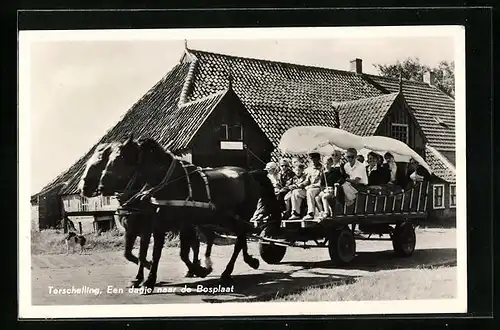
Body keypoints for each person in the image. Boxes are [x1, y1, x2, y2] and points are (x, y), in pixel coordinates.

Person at [289, 152, 324, 220]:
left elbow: (322, 183)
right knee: (296, 192)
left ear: (318, 159)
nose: (313, 161)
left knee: (309, 191)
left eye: (314, 158)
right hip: (308, 188)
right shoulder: (309, 169)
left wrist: (311, 186)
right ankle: (295, 213)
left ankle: (311, 213)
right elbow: (307, 181)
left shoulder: (322, 169)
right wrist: (299, 185)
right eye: (311, 159)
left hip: (318, 188)